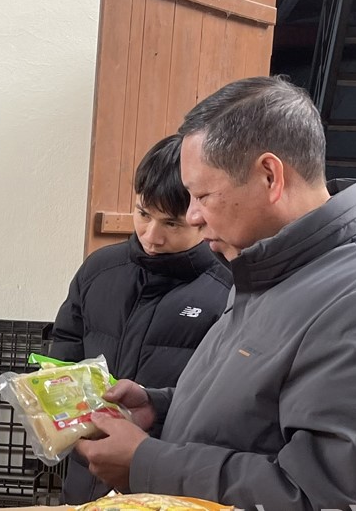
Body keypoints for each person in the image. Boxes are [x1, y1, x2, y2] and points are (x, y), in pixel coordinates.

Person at [76, 76, 356, 510]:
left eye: (203, 195)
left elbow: (330, 497)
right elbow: (257, 416)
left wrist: (147, 462)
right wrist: (159, 410)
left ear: (270, 175)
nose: (192, 216)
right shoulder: (269, 267)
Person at [49, 134, 232, 504]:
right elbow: (62, 354)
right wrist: (63, 424)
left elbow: (224, 404)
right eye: (143, 214)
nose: (152, 236)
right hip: (87, 475)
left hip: (171, 484)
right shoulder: (100, 269)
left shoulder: (228, 287)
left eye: (171, 224)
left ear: (200, 218)